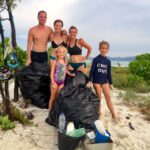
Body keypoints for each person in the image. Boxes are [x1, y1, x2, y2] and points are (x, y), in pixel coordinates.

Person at [89, 41, 118, 120]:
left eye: (105, 48)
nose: (104, 50)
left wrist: (111, 83)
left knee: (108, 98)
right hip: (96, 81)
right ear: (99, 49)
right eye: (102, 48)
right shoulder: (96, 59)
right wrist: (89, 81)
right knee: (99, 98)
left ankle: (114, 115)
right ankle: (99, 114)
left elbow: (109, 73)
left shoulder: (108, 61)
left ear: (108, 49)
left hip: (105, 82)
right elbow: (92, 71)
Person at [48, 46, 74, 112]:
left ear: (65, 53)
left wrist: (70, 74)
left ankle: (55, 111)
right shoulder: (55, 61)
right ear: (57, 53)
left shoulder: (65, 61)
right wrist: (53, 82)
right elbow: (51, 72)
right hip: (55, 81)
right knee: (52, 97)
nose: (61, 54)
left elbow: (65, 70)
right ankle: (49, 110)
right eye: (59, 52)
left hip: (61, 82)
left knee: (58, 98)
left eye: (63, 52)